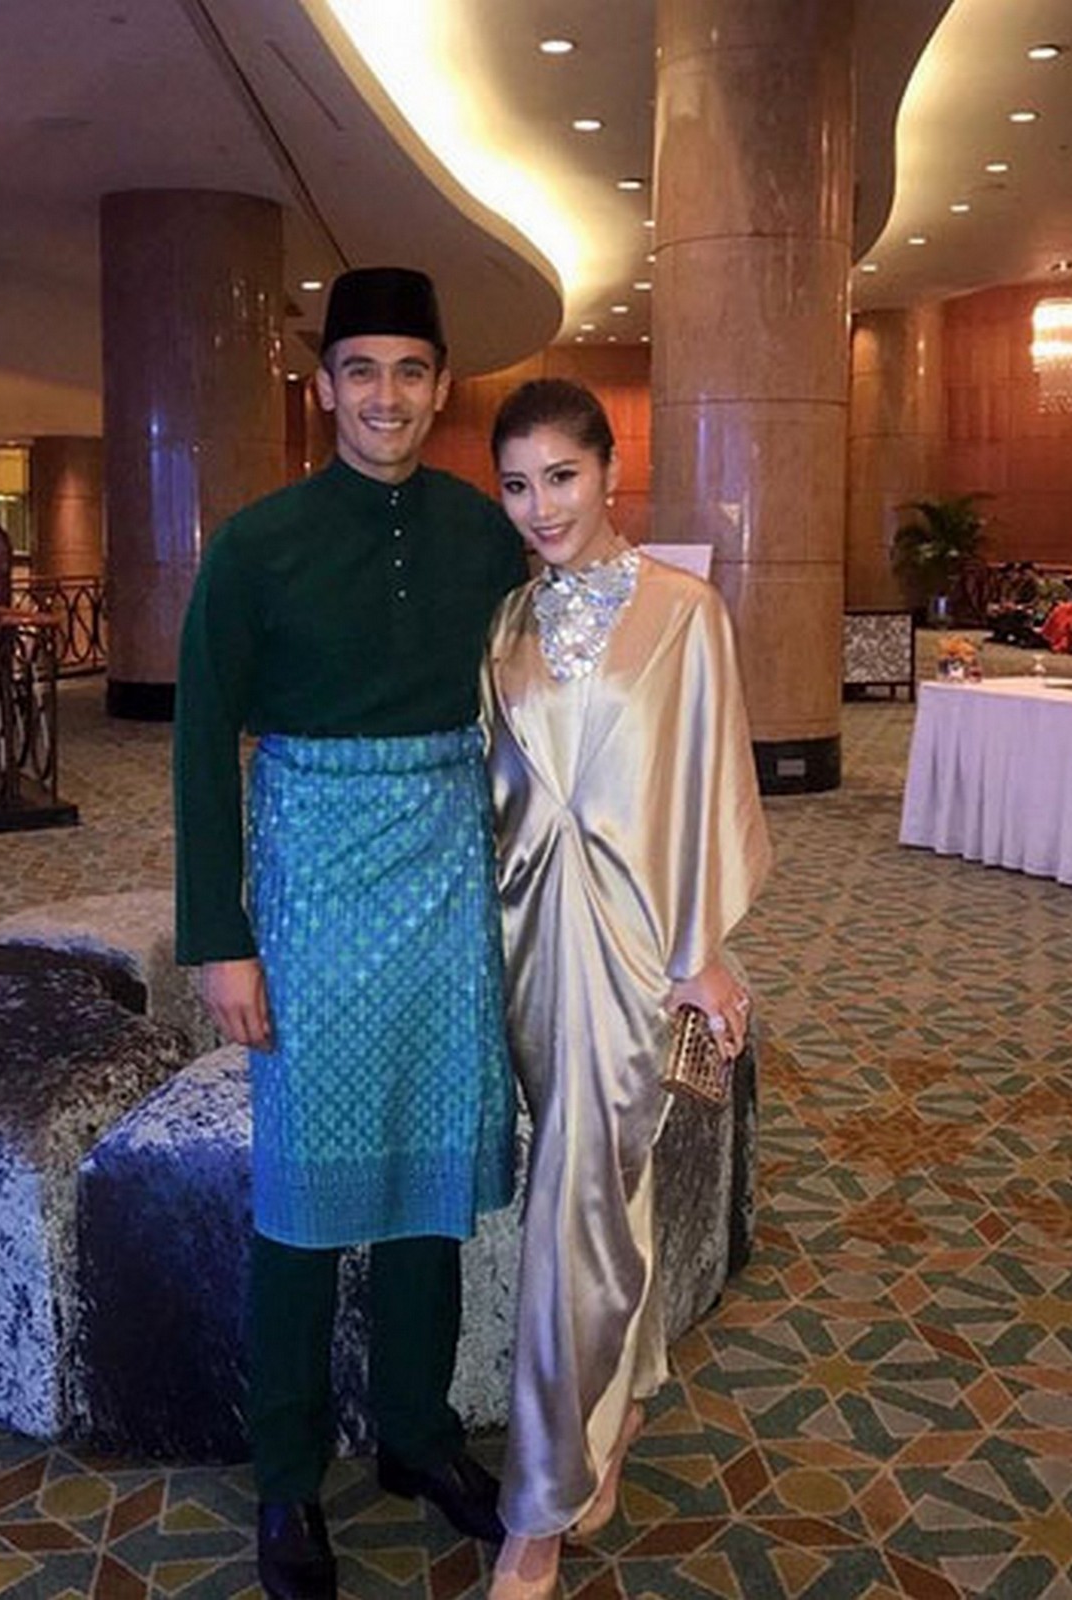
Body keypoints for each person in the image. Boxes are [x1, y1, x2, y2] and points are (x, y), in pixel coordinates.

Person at [173, 267, 529, 1600]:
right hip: (312, 890)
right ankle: (286, 1477)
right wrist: (219, 937)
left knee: (432, 1177)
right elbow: (200, 745)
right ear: (321, 388)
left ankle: (415, 1436)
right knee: (304, 1194)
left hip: (444, 881)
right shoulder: (256, 544)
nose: (386, 395)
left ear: (440, 390)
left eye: (410, 371)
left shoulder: (481, 534)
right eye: (361, 370)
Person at [479, 379, 773, 1599]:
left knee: (573, 1210)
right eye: (516, 484)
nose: (540, 506)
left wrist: (700, 948)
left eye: (561, 475)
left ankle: (539, 1505)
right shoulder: (504, 621)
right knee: (609, 1191)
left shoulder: (683, 612)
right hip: (524, 946)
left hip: (634, 949)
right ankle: (624, 1399)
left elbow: (706, 779)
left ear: (608, 472)